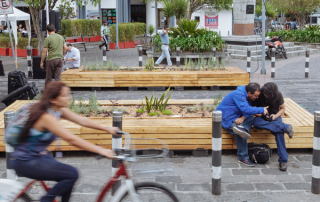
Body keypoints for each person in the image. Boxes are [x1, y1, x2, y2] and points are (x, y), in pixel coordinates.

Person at [9, 81, 119, 202]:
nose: (69, 98)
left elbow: (82, 120)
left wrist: (106, 128)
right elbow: (72, 139)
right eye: (65, 95)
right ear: (53, 99)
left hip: (37, 156)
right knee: (72, 174)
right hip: (26, 161)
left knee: (66, 175)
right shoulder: (46, 117)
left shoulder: (57, 110)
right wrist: (102, 150)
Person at [216, 83, 269, 166]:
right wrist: (261, 109)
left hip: (237, 116)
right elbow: (246, 109)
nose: (257, 98)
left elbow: (247, 111)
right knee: (240, 134)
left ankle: (241, 128)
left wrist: (243, 118)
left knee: (250, 119)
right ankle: (243, 158)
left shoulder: (248, 96)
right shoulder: (238, 95)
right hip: (225, 118)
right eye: (255, 96)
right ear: (249, 93)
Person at [252, 82, 294, 171]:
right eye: (266, 95)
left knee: (279, 132)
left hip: (275, 117)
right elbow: (252, 109)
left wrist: (274, 116)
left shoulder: (278, 95)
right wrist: (262, 115)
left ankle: (283, 161)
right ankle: (285, 127)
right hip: (261, 116)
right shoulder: (259, 95)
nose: (267, 97)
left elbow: (282, 108)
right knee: (256, 123)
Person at [41, 23, 67, 88]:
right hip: (60, 59)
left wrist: (41, 62)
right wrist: (62, 55)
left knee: (48, 77)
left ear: (47, 31)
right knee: (58, 77)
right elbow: (66, 48)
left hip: (51, 59)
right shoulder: (61, 37)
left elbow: (44, 52)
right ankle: (58, 92)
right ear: (54, 30)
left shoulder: (48, 39)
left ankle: (47, 92)